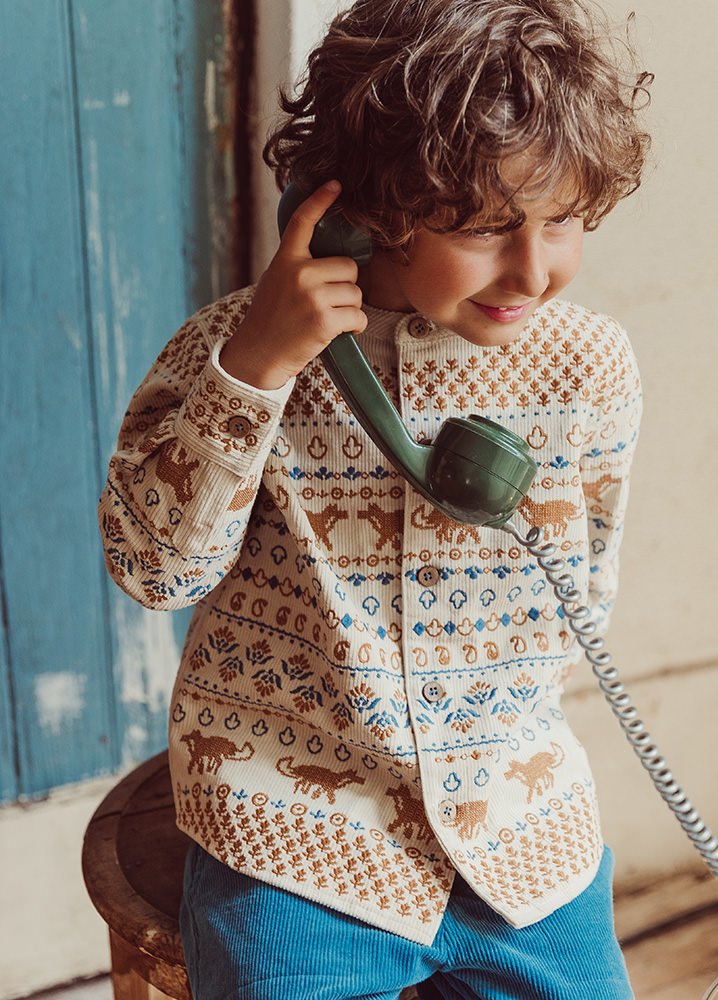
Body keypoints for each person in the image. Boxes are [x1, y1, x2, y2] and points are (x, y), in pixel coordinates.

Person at [98, 1, 650, 997]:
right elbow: (153, 567)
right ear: (367, 207)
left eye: (560, 220)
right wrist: (255, 371)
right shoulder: (239, 348)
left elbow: (586, 591)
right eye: (486, 228)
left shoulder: (590, 366)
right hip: (293, 828)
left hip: (511, 826)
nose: (534, 269)